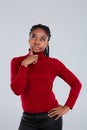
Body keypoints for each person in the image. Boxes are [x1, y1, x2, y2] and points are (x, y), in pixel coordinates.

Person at [10, 24, 82, 130]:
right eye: (34, 36)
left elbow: (76, 84)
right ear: (29, 39)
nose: (37, 42)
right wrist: (24, 65)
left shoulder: (53, 63)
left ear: (47, 43)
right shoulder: (17, 62)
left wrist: (67, 107)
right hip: (27, 118)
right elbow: (17, 90)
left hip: (50, 118)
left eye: (42, 39)